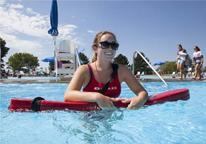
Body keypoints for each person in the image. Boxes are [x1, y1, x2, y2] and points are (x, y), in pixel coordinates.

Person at [64, 31, 148, 110]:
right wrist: (97, 97)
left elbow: (141, 91)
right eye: (105, 44)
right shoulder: (84, 70)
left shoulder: (122, 70)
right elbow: (68, 95)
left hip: (112, 117)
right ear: (95, 48)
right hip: (89, 117)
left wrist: (141, 99)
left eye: (114, 45)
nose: (110, 49)